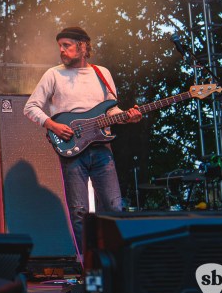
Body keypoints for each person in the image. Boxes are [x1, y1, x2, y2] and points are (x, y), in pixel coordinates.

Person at [24, 26, 142, 260]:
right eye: (60, 46)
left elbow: (112, 108)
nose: (62, 50)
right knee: (79, 212)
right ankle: (86, 265)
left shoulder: (102, 73)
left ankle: (118, 263)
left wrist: (128, 116)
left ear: (83, 46)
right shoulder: (53, 74)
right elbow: (31, 107)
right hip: (72, 150)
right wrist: (53, 125)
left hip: (102, 148)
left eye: (66, 45)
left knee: (114, 207)